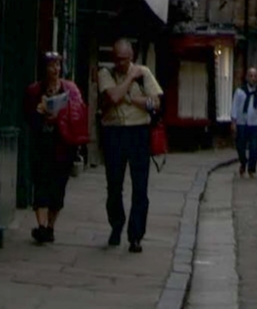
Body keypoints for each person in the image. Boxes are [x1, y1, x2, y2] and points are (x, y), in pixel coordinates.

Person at [94, 37, 163, 251]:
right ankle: (116, 224)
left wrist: (131, 99)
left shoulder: (144, 73)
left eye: (124, 60)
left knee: (140, 187)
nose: (120, 63)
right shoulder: (106, 74)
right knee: (114, 185)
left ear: (131, 57)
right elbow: (113, 97)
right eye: (117, 59)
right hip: (113, 132)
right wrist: (128, 81)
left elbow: (155, 102)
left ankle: (136, 235)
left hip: (138, 132)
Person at [25, 53, 86, 243]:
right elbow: (27, 116)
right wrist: (41, 115)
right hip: (42, 143)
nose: (55, 69)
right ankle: (42, 227)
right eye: (51, 65)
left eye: (58, 65)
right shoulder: (34, 90)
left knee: (58, 187)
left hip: (63, 144)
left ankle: (51, 226)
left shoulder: (71, 89)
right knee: (41, 183)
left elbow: (79, 112)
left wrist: (59, 117)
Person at [231, 67, 257, 177]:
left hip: (256, 123)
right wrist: (233, 120)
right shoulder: (240, 92)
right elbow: (235, 106)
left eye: (255, 76)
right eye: (251, 76)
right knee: (240, 145)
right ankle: (243, 162)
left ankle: (252, 169)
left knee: (254, 147)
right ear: (247, 77)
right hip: (242, 122)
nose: (253, 78)